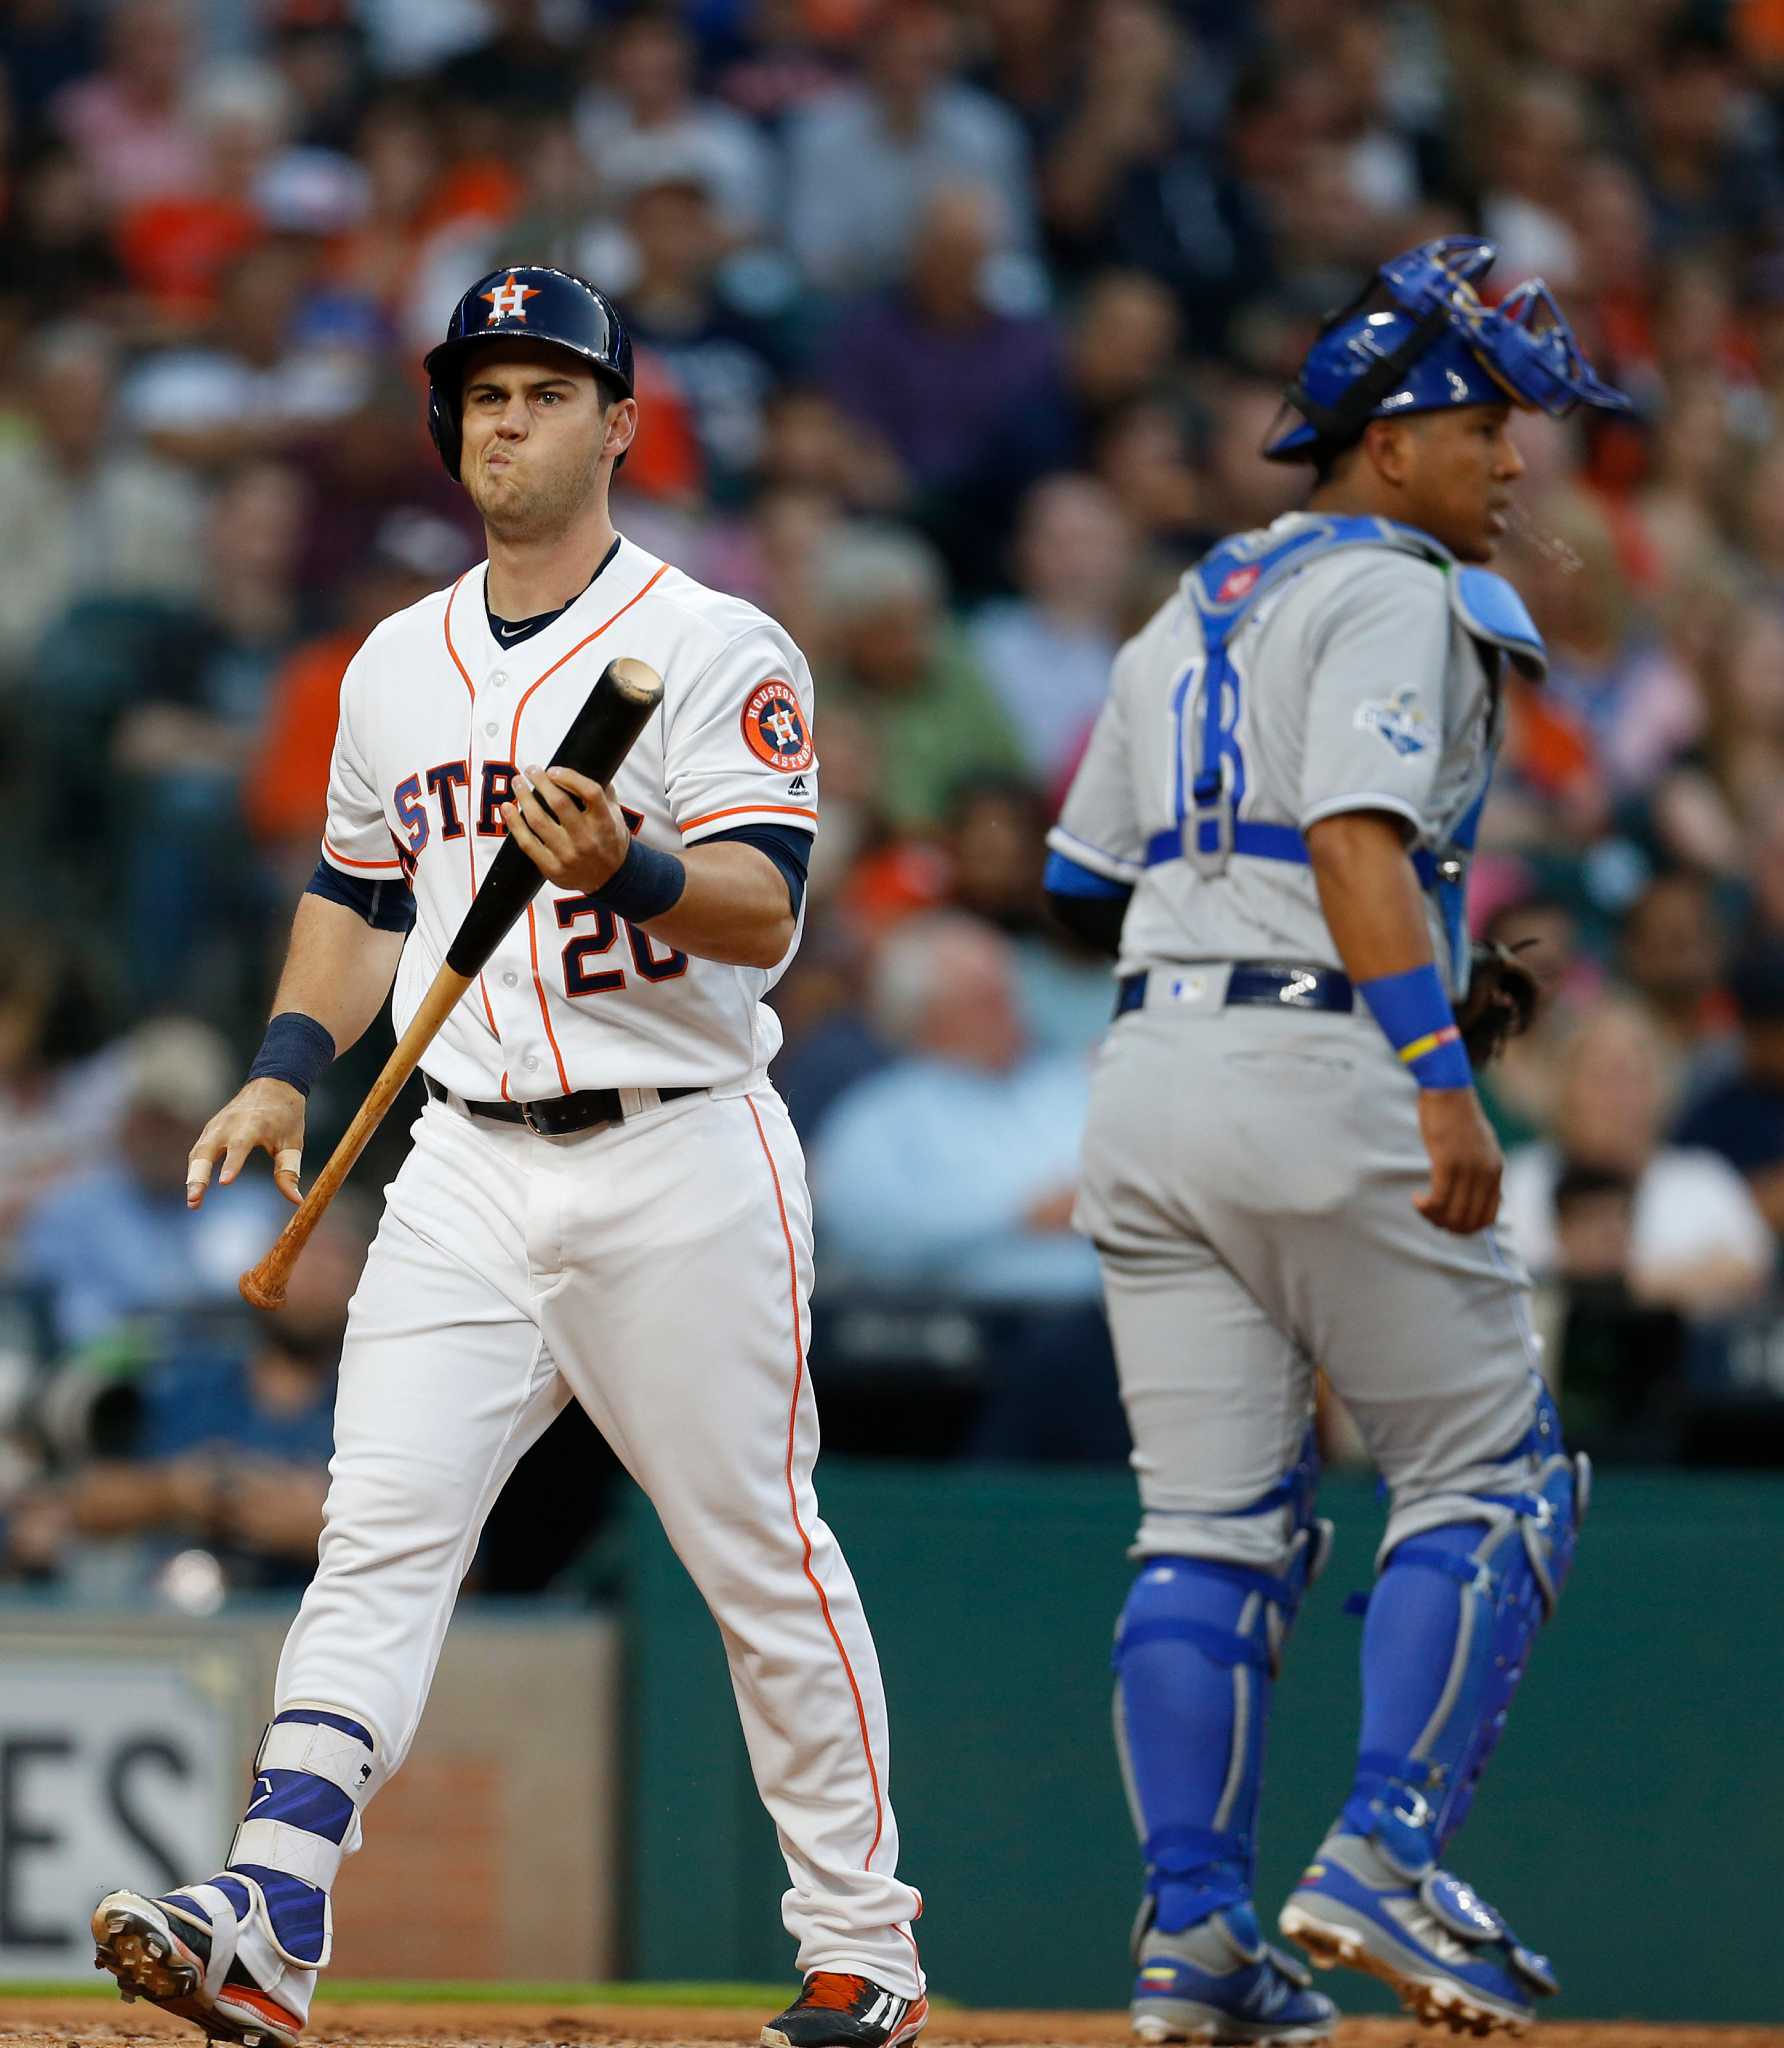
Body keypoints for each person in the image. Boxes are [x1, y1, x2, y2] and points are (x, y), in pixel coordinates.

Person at [91, 265, 926, 2048]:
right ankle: (271, 1907)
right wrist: (286, 1066)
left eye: (546, 389)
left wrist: (628, 863)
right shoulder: (398, 663)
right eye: (483, 391)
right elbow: (357, 889)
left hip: (681, 1150)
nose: (505, 417)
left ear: (620, 423)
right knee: (375, 1539)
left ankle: (866, 1950)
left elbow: (765, 912)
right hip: (464, 1155)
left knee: (759, 1559)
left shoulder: (712, 644)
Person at [1043, 238, 1630, 2038]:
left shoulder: (1190, 599)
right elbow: (1362, 846)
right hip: (1323, 1080)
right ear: (1392, 440)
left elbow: (1080, 888)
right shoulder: (1395, 590)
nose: (1517, 460)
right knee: (1497, 1474)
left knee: (1207, 1530)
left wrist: (1308, 946)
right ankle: (1382, 1851)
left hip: (1148, 1086)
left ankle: (1196, 1939)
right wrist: (1437, 1063)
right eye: (1491, 422)